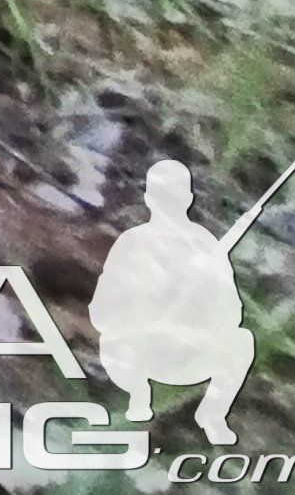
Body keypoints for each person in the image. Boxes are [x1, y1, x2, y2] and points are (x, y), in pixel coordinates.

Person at [91, 160, 255, 442]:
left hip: (189, 352)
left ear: (189, 199)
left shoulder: (205, 243)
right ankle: (138, 398)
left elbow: (232, 311)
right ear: (149, 199)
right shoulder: (133, 242)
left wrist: (202, 295)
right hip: (139, 351)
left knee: (242, 341)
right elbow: (104, 308)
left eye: (176, 196)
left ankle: (213, 414)